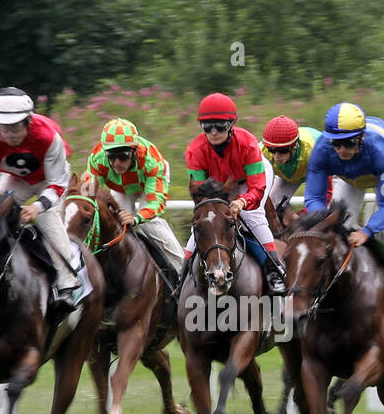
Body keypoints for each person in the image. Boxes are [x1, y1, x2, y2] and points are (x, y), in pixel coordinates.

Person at [303, 102, 384, 327]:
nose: (342, 150)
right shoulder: (322, 150)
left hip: (378, 172)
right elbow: (313, 199)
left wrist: (368, 231)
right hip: (348, 179)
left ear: (361, 138)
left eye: (349, 143)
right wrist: (325, 222)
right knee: (336, 227)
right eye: (336, 143)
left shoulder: (383, 151)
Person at [0, 87, 81, 309]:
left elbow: (58, 184)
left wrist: (38, 207)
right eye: (3, 128)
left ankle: (67, 283)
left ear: (28, 121)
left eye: (15, 127)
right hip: (16, 179)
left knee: (47, 220)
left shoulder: (48, 138)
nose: (9, 135)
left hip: (50, 181)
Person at [183, 93, 286, 295]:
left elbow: (256, 187)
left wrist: (242, 202)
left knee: (251, 215)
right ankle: (184, 274)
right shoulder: (195, 150)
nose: (213, 132)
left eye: (220, 126)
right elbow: (201, 192)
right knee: (206, 221)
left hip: (249, 179)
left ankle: (275, 271)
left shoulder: (247, 143)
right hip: (217, 184)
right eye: (207, 127)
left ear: (231, 124)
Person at [80, 117, 184, 289]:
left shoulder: (152, 161)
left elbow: (155, 202)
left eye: (124, 156)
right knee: (113, 224)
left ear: (134, 152)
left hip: (148, 184)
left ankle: (181, 271)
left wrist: (136, 218)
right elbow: (86, 192)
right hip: (121, 186)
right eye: (112, 157)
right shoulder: (97, 157)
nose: (117, 163)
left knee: (149, 224)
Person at [261, 114, 321, 227]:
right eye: (271, 150)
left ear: (294, 146)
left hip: (320, 170)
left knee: (322, 219)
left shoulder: (314, 151)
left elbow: (322, 195)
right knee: (271, 212)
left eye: (282, 150)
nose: (276, 156)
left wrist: (301, 217)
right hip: (290, 175)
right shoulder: (261, 151)